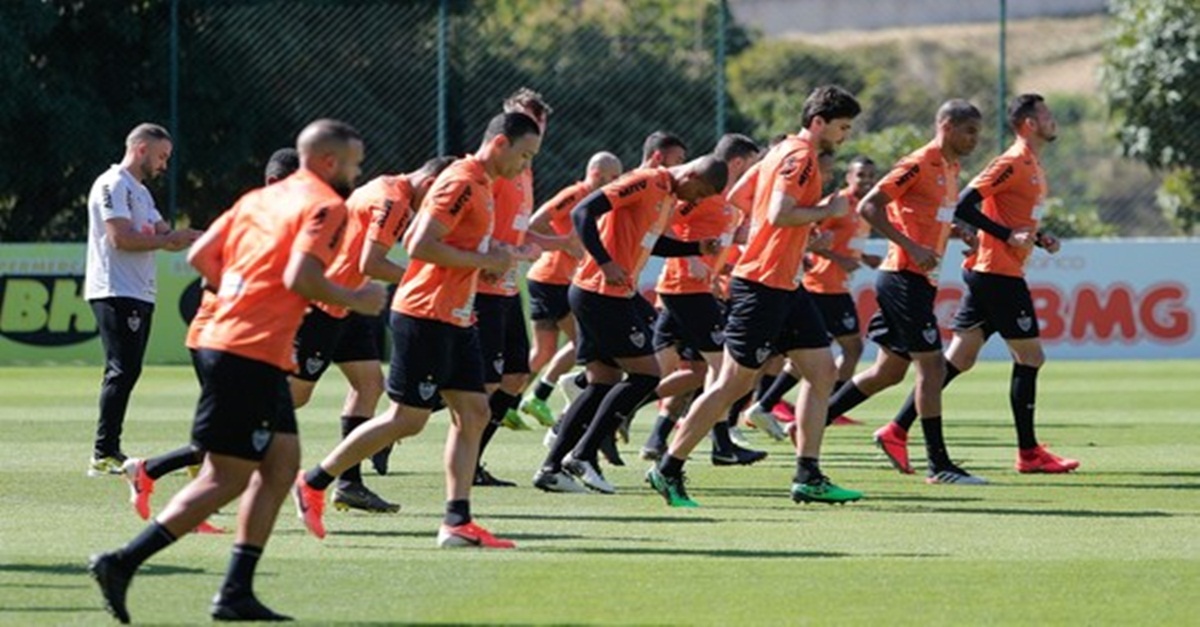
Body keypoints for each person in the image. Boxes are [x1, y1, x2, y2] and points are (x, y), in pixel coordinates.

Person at [88, 119, 386, 623]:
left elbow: (204, 256)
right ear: (330, 162)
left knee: (282, 463)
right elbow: (301, 276)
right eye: (354, 163)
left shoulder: (256, 200)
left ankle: (235, 591)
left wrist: (244, 297)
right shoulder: (327, 206)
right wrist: (355, 297)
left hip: (240, 343)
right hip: (246, 349)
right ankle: (123, 562)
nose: (357, 174)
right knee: (226, 478)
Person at [291, 112, 540, 549]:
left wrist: (494, 251)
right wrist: (486, 260)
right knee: (407, 419)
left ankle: (456, 521)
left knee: (475, 412)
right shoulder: (461, 180)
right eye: (524, 155)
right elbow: (420, 243)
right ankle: (313, 481)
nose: (525, 166)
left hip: (456, 315)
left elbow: (456, 244)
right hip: (426, 313)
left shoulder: (481, 184)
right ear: (499, 143)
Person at [646, 85, 864, 508]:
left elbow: (739, 197)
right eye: (842, 127)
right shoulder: (800, 156)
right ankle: (667, 467)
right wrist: (824, 212)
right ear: (818, 122)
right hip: (763, 285)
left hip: (785, 284)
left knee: (821, 372)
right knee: (731, 384)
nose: (845, 136)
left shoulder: (779, 152)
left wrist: (789, 229)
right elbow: (780, 212)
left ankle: (808, 475)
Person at [879, 94, 1080, 475]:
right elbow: (967, 205)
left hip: (995, 269)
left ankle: (895, 429)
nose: (1054, 121)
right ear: (1029, 124)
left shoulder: (1032, 164)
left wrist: (1038, 237)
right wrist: (1007, 235)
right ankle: (1029, 453)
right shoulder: (1010, 162)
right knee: (1031, 357)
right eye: (1047, 116)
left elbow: (1010, 217)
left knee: (958, 359)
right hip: (996, 273)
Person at [118, 148, 300, 532]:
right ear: (274, 184)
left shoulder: (276, 221)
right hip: (221, 339)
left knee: (234, 435)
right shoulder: (252, 219)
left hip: (233, 341)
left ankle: (170, 486)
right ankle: (154, 477)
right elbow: (208, 274)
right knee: (237, 437)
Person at [824, 99, 998, 485]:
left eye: (977, 133)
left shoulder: (950, 168)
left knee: (887, 372)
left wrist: (957, 233)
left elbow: (925, 217)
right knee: (932, 367)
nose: (974, 139)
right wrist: (912, 247)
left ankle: (811, 421)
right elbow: (871, 207)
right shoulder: (920, 162)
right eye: (969, 131)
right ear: (947, 126)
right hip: (903, 277)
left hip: (915, 280)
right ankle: (939, 466)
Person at [532, 155, 728, 494]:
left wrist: (694, 247)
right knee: (646, 375)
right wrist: (605, 262)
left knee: (602, 382)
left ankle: (551, 468)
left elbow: (653, 244)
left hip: (607, 293)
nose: (695, 200)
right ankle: (583, 455)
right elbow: (583, 212)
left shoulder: (667, 196)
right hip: (599, 291)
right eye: (700, 191)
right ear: (693, 174)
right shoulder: (647, 181)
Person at [286, 155, 456, 509]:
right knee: (293, 397)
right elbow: (371, 263)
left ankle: (348, 482)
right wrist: (422, 277)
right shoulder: (392, 199)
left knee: (369, 386)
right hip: (323, 301)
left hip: (348, 302)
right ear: (429, 184)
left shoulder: (395, 192)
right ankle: (215, 445)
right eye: (440, 196)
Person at [640, 133, 766, 466]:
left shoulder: (730, 198)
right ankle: (721, 445)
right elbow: (663, 222)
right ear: (737, 162)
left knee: (698, 372)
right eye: (752, 164)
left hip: (701, 290)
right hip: (685, 288)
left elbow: (719, 234)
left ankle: (639, 424)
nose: (755, 172)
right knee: (723, 370)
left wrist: (743, 237)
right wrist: (688, 257)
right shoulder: (705, 191)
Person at [84, 123, 202, 475]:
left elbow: (167, 233)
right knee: (122, 369)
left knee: (128, 369)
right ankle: (103, 452)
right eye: (161, 156)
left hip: (137, 291)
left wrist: (203, 237)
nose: (164, 164)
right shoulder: (113, 184)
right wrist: (169, 240)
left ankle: (107, 450)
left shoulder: (142, 193)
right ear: (140, 150)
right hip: (114, 288)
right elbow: (120, 238)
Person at [472, 89, 569, 487]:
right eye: (527, 119)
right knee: (479, 383)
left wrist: (553, 244)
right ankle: (392, 428)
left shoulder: (523, 171)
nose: (535, 129)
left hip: (509, 287)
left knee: (514, 376)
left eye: (540, 123)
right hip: (482, 286)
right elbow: (477, 224)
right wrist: (491, 254)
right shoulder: (493, 170)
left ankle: (472, 461)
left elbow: (519, 230)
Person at [751, 155, 881, 432]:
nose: (867, 181)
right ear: (848, 177)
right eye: (861, 176)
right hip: (821, 285)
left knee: (817, 352)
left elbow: (845, 243)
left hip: (836, 286)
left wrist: (863, 256)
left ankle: (768, 404)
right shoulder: (837, 204)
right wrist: (838, 259)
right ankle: (823, 405)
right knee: (844, 348)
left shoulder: (862, 207)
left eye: (871, 176)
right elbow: (809, 238)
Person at [521, 152, 623, 427]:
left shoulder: (602, 203)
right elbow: (536, 222)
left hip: (552, 280)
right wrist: (563, 243)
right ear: (593, 172)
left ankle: (510, 400)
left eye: (613, 178)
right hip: (552, 279)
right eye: (605, 176)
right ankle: (540, 395)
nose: (607, 182)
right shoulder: (575, 194)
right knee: (583, 341)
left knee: (542, 352)